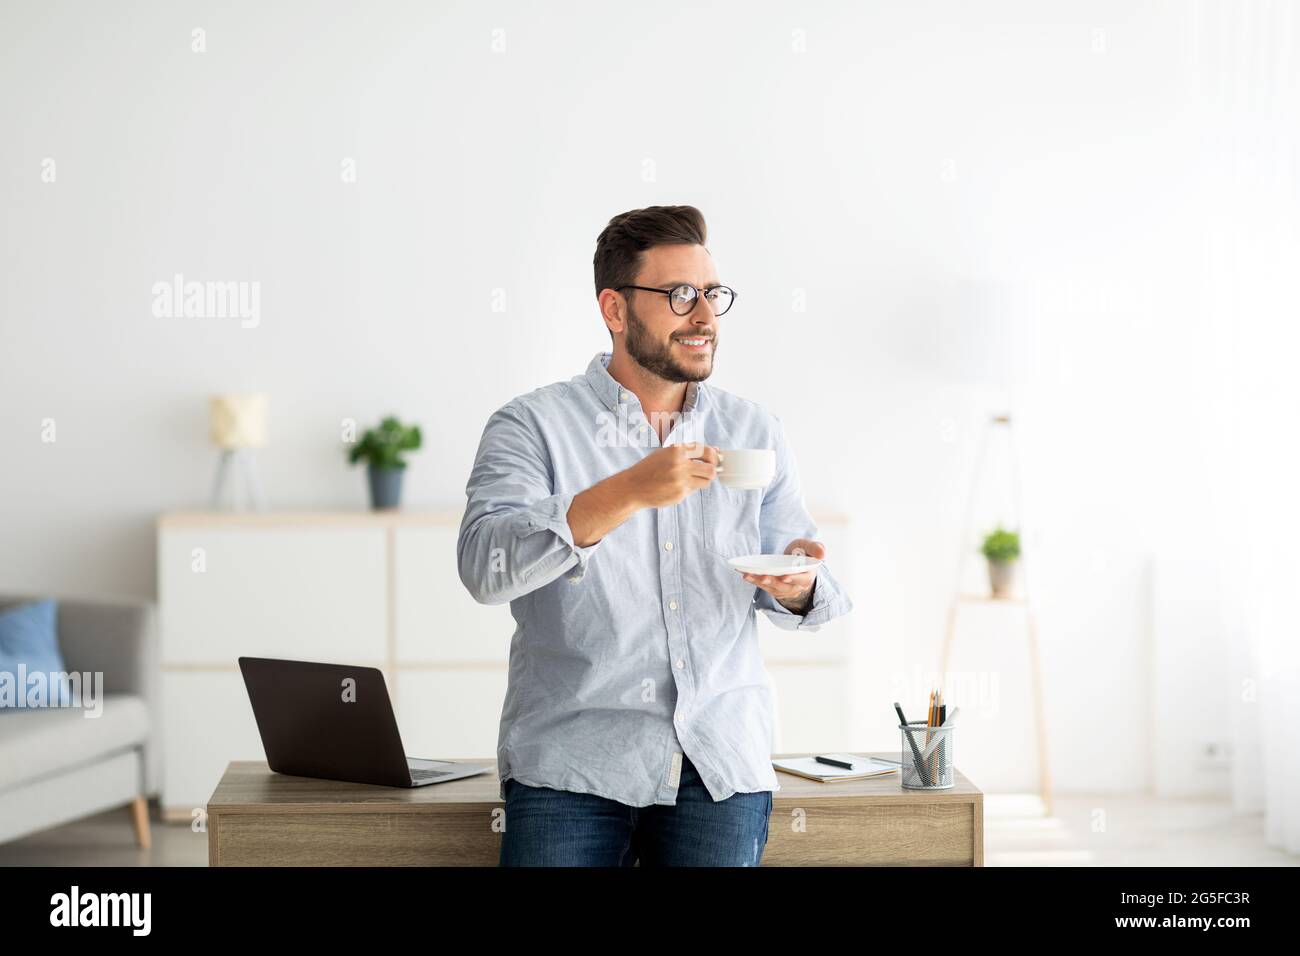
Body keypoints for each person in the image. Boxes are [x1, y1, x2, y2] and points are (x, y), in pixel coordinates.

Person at [457, 204, 853, 866]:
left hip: (719, 759)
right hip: (572, 763)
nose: (703, 316)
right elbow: (484, 567)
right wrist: (627, 491)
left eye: (712, 294)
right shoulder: (530, 426)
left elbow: (807, 576)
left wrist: (798, 584)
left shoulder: (756, 431)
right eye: (678, 295)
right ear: (615, 310)